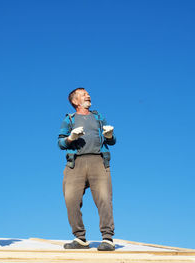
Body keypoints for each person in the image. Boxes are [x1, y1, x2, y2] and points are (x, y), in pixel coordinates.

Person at [58, 87, 116, 251]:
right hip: (75, 164)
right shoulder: (69, 120)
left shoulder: (98, 117)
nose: (88, 95)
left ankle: (107, 238)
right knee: (71, 200)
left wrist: (110, 135)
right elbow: (60, 143)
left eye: (88, 94)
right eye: (83, 94)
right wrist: (71, 138)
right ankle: (80, 238)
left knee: (104, 199)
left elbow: (112, 140)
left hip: (98, 161)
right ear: (75, 101)